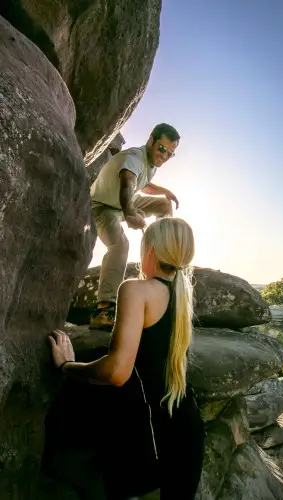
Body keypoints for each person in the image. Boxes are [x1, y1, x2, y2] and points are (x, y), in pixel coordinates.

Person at [47, 217, 205, 499]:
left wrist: (66, 366)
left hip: (152, 442)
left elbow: (117, 371)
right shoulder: (181, 296)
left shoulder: (136, 290)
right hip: (188, 434)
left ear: (151, 252)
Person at [89, 123, 181, 331]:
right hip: (103, 207)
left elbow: (143, 183)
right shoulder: (133, 158)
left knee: (163, 205)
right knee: (120, 245)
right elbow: (128, 183)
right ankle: (103, 310)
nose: (164, 156)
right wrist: (130, 214)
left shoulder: (151, 162)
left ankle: (162, 259)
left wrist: (165, 191)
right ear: (150, 141)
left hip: (127, 201)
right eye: (162, 149)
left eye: (170, 154)